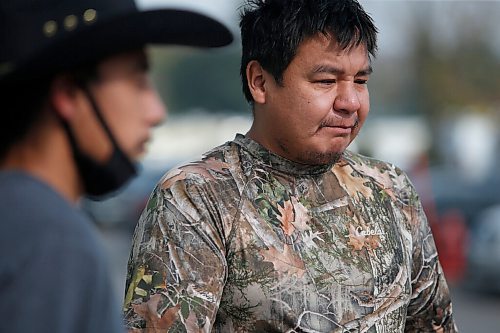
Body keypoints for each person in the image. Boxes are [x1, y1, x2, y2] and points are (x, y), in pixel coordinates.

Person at [123, 0, 458, 331]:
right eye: (326, 81)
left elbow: (433, 324)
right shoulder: (197, 198)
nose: (350, 102)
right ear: (260, 82)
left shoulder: (390, 189)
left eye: (360, 80)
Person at [0, 0, 232, 332]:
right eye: (138, 81)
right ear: (68, 94)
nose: (156, 111)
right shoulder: (52, 239)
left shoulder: (19, 218)